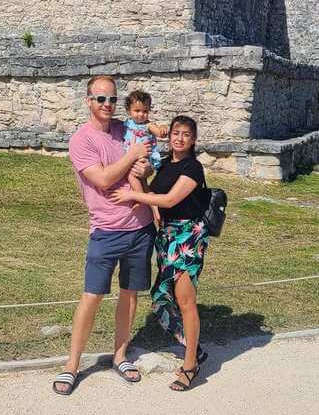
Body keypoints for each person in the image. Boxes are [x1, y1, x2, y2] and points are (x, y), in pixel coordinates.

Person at [52, 75, 155, 397]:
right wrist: (131, 156)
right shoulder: (81, 141)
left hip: (140, 227)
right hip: (106, 230)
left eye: (112, 99)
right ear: (88, 101)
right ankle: (72, 364)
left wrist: (144, 169)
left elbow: (146, 164)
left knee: (130, 294)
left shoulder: (127, 130)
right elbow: (103, 180)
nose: (107, 105)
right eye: (100, 99)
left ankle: (121, 356)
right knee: (92, 296)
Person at [113, 115, 209, 392]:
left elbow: (169, 200)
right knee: (160, 300)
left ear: (193, 139)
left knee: (185, 299)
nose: (179, 138)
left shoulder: (193, 168)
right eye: (176, 133)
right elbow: (153, 195)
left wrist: (134, 197)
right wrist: (136, 175)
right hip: (167, 236)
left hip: (188, 237)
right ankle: (194, 347)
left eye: (186, 135)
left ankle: (190, 366)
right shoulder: (166, 164)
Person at [122, 90, 170, 226]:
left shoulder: (148, 125)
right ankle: (154, 205)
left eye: (145, 111)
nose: (141, 114)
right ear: (129, 111)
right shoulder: (127, 123)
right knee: (143, 183)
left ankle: (139, 199)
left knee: (132, 175)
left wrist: (163, 128)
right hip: (133, 156)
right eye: (137, 110)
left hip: (144, 156)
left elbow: (159, 133)